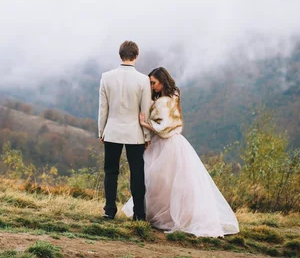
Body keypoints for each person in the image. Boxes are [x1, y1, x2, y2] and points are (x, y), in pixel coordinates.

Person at [122, 67, 239, 237]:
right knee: (167, 182)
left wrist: (145, 123)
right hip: (174, 142)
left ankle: (162, 216)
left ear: (162, 82)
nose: (151, 86)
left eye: (153, 83)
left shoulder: (163, 102)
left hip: (166, 144)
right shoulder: (173, 96)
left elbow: (164, 126)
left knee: (158, 180)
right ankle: (163, 215)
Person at [98, 41, 152, 220]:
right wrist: (147, 135)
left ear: (120, 54)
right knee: (137, 173)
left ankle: (109, 210)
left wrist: (101, 131)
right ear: (136, 56)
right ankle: (139, 214)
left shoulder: (106, 77)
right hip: (135, 133)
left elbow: (103, 108)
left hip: (112, 130)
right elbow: (145, 111)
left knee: (111, 171)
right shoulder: (143, 79)